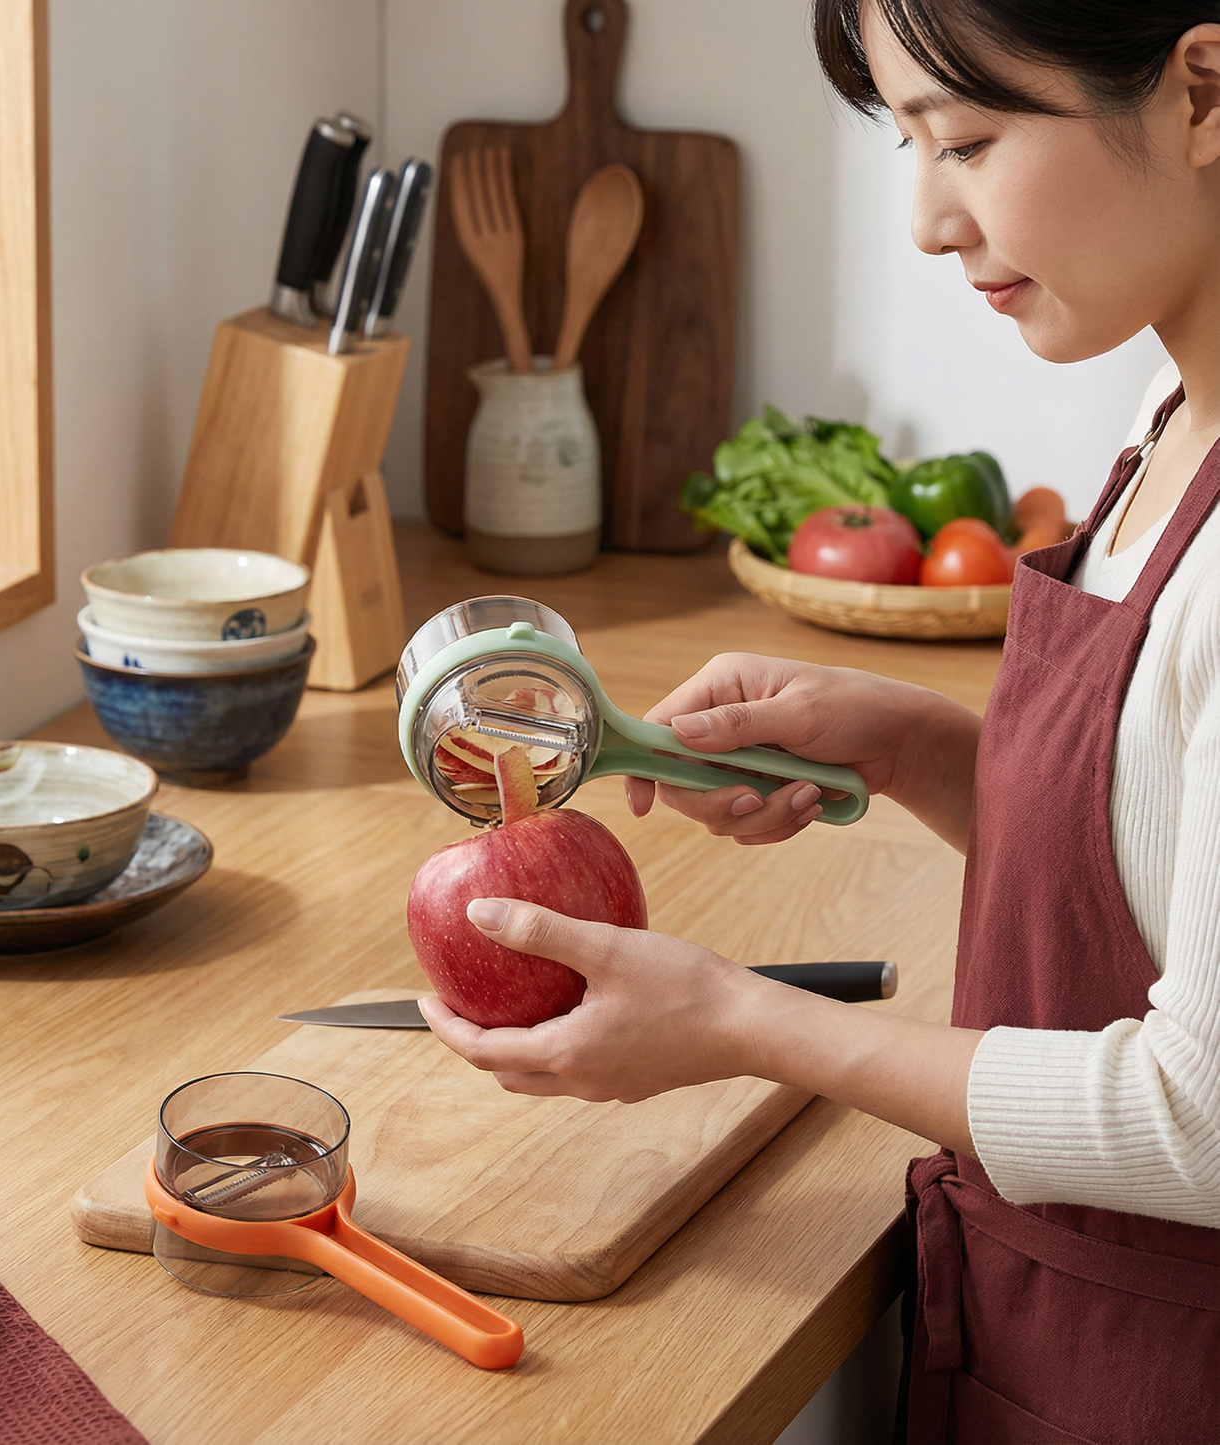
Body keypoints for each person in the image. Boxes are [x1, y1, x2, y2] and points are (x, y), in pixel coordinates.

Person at [418, 3, 1220, 1439]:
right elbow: (1170, 869)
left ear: (1207, 92)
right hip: (1070, 1326)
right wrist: (925, 752)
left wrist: (741, 1021)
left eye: (967, 141)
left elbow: (1200, 1119)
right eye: (909, 145)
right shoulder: (1176, 412)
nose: (927, 219)